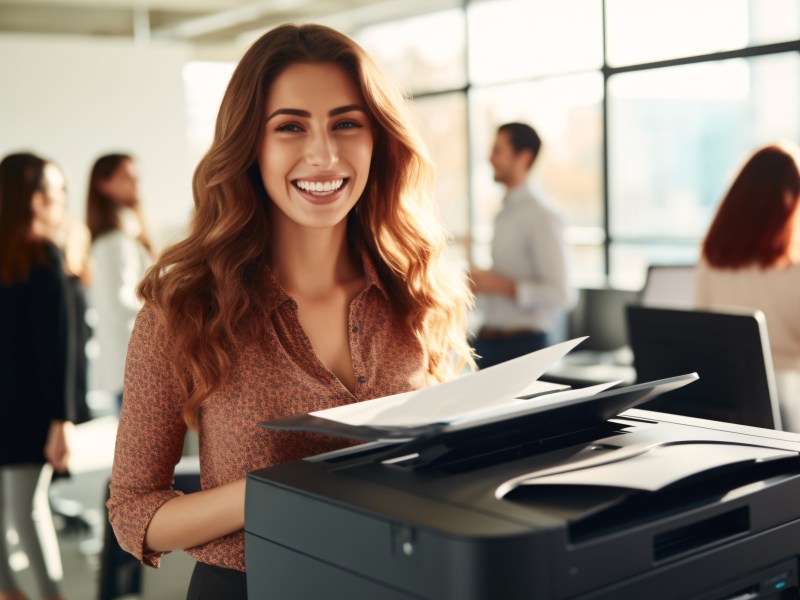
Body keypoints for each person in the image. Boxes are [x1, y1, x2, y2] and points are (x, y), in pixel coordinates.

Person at [107, 23, 474, 598]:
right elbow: (134, 512)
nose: (324, 153)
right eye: (290, 127)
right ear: (251, 143)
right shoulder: (184, 309)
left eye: (346, 123)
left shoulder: (419, 291)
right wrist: (284, 488)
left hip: (405, 581)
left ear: (378, 138)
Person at [0, 153, 72, 600]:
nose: (59, 199)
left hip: (22, 407)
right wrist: (60, 421)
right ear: (29, 198)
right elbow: (57, 350)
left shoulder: (41, 256)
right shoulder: (42, 257)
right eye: (52, 189)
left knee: (20, 509)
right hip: (28, 408)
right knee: (27, 510)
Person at [695, 141, 800, 431]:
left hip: (724, 395)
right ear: (789, 202)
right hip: (787, 402)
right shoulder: (793, 269)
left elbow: (702, 322)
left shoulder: (711, 257)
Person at [469, 122, 574, 369]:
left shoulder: (542, 215)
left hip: (523, 349)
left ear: (523, 158)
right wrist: (480, 283)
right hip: (487, 344)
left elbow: (562, 295)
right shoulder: (504, 213)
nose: (489, 158)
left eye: (498, 151)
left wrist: (501, 286)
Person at [85, 154, 154, 410]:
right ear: (103, 184)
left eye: (136, 175)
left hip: (137, 366)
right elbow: (120, 305)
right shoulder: (113, 242)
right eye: (126, 176)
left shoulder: (126, 235)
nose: (135, 182)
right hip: (134, 368)